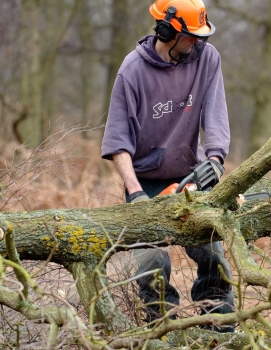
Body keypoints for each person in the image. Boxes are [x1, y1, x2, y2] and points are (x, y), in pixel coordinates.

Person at [101, 0, 235, 332]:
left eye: (202, 35)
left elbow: (215, 115)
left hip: (191, 173)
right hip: (145, 182)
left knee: (213, 254)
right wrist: (135, 194)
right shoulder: (132, 72)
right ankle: (164, 332)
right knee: (153, 264)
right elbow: (117, 142)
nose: (198, 42)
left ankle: (219, 328)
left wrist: (216, 159)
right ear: (167, 30)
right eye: (191, 36)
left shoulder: (207, 58)